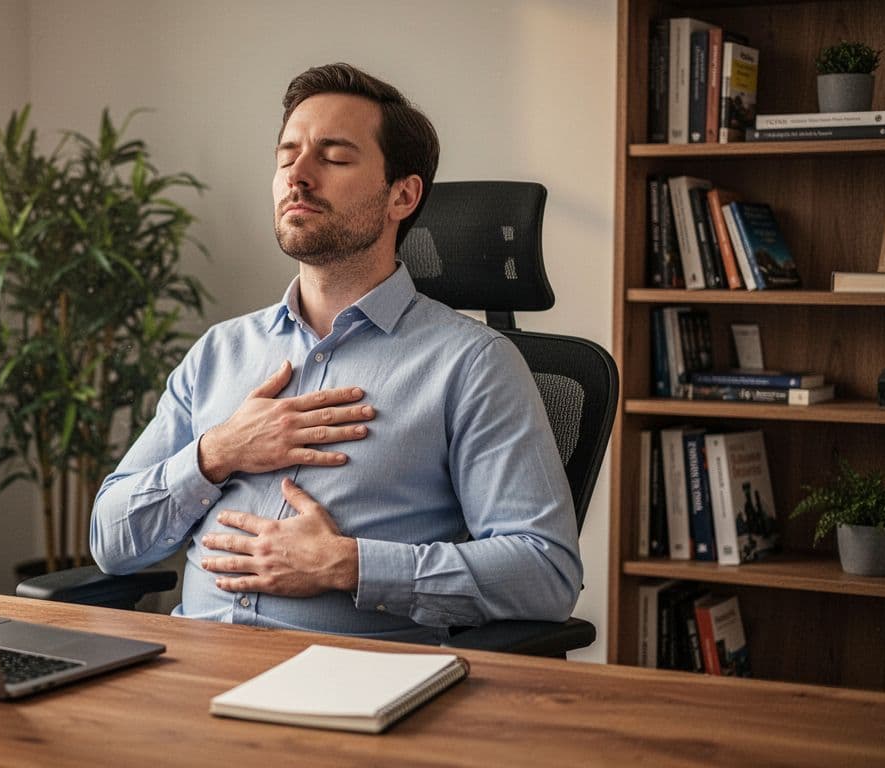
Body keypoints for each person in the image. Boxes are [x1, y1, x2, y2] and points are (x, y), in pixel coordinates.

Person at [90, 63, 581, 644]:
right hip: (188, 669)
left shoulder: (473, 364)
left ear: (402, 195)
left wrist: (349, 565)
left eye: (334, 157)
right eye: (286, 155)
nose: (297, 175)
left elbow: (546, 573)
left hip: (348, 689)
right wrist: (216, 452)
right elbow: (111, 544)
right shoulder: (219, 351)